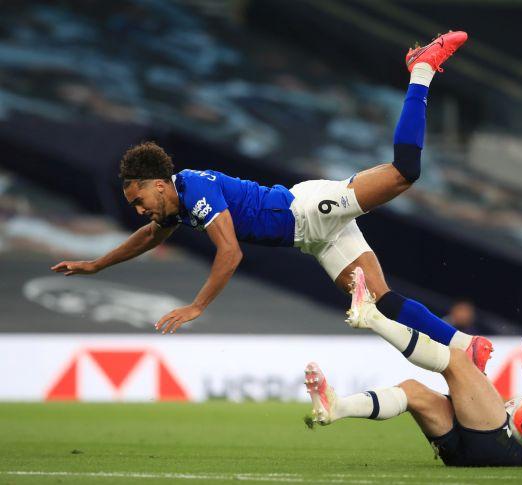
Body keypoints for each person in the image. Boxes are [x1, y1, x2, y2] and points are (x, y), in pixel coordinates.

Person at [50, 32, 492, 370]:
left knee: (404, 173)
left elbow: (230, 252)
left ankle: (421, 69)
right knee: (381, 303)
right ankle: (465, 346)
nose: (140, 209)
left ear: (159, 184)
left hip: (309, 209)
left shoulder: (195, 191)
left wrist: (197, 306)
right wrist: (95, 265)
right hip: (315, 240)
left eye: (140, 198)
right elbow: (148, 236)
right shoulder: (175, 205)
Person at [304, 270, 522, 466]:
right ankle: (337, 407)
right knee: (413, 391)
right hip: (469, 448)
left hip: (515, 449)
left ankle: (372, 317)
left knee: (458, 361)